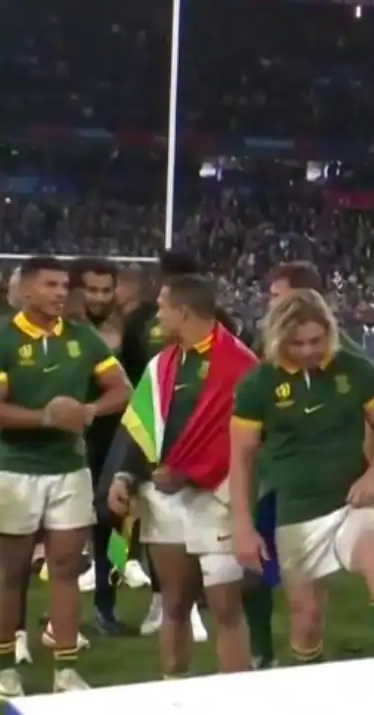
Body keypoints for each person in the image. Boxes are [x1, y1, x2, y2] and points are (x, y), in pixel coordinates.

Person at [229, 289, 374, 664]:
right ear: (279, 339)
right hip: (296, 513)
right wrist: (243, 525)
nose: (310, 350)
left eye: (317, 340)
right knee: (307, 618)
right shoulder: (257, 385)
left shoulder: (353, 369)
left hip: (351, 504)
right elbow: (241, 459)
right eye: (298, 343)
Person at [103, 274, 256, 677]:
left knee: (225, 606)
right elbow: (141, 425)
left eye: (163, 307)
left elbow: (247, 440)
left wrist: (189, 473)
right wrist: (123, 476)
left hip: (218, 497)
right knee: (174, 602)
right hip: (163, 497)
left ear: (183, 311)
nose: (158, 315)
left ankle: (234, 699)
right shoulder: (162, 363)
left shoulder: (241, 365)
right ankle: (173, 691)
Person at [0, 256, 131, 695]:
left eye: (63, 286)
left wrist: (88, 410)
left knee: (65, 568)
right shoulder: (3, 337)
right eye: (51, 285)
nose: (61, 292)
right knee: (9, 573)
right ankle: (4, 672)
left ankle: (66, 671)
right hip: (13, 470)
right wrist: (46, 418)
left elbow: (122, 390)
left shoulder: (83, 338)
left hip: (69, 469)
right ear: (28, 290)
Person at [70, 258, 130, 637]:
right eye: (92, 289)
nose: (99, 297)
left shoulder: (131, 328)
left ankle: (106, 607)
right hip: (68, 441)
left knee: (114, 524)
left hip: (117, 437)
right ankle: (64, 614)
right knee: (67, 527)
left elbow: (139, 382)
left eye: (106, 290)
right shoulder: (62, 330)